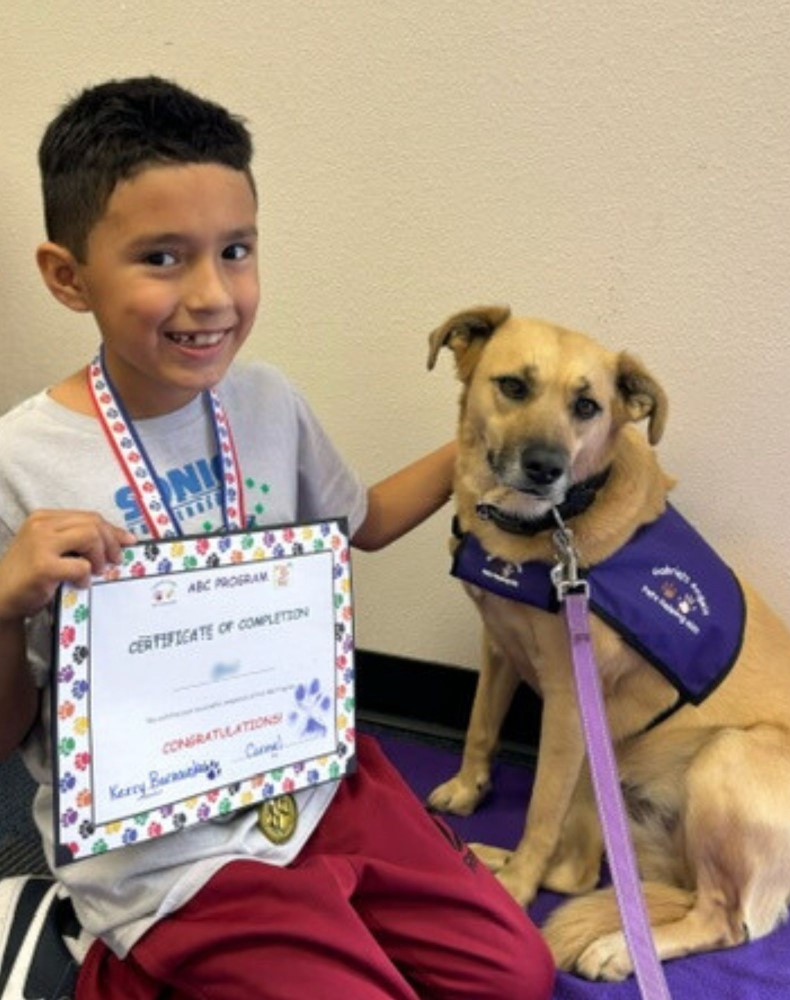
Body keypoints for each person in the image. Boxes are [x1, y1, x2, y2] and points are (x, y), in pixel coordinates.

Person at [0, 77, 555, 1000]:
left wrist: (487, 453)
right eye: (163, 257)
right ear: (68, 276)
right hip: (161, 850)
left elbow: (363, 523)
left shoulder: (266, 401)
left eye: (237, 250)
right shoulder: (20, 459)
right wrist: (5, 596)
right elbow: (8, 730)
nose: (213, 294)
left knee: (517, 976)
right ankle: (119, 962)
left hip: (308, 776)